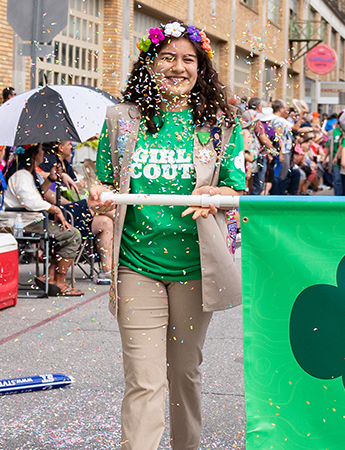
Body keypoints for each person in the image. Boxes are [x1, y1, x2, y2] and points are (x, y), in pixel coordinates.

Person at [88, 21, 245, 450]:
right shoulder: (122, 120)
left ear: (201, 68)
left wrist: (218, 194)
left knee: (184, 371)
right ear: (150, 64)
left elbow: (236, 188)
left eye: (188, 59)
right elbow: (104, 186)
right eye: (168, 57)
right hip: (137, 265)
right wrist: (99, 196)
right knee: (144, 378)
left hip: (196, 265)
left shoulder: (219, 124)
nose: (178, 67)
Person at [0, 144, 83, 293]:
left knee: (66, 233)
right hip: (22, 223)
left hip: (30, 220)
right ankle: (59, 282)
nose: (43, 153)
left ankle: (51, 277)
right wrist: (54, 209)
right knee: (73, 235)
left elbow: (38, 195)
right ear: (33, 155)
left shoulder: (27, 174)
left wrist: (51, 178)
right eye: (41, 151)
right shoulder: (21, 175)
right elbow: (30, 202)